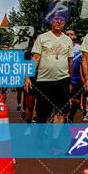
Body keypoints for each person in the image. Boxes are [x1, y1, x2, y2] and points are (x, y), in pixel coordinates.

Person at [24, 14, 73, 154]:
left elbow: (70, 61)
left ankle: (54, 143)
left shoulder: (68, 40)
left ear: (64, 23)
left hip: (63, 80)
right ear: (51, 22)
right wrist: (28, 76)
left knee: (61, 111)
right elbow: (36, 58)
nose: (58, 23)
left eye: (62, 20)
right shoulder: (42, 38)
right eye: (56, 20)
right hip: (44, 81)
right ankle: (39, 135)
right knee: (42, 114)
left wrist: (69, 80)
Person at [66, 30, 85, 122]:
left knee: (76, 100)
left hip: (77, 78)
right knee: (64, 100)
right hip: (64, 78)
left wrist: (83, 77)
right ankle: (63, 118)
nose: (69, 36)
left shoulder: (79, 49)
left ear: (74, 36)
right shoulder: (61, 47)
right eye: (67, 34)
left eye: (71, 34)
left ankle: (71, 117)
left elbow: (83, 63)